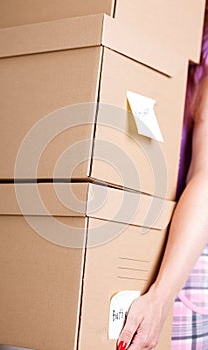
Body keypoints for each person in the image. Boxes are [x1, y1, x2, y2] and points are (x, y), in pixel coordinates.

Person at [117, 6, 208, 350]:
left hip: (175, 276)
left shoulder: (200, 49)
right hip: (104, 245)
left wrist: (159, 299)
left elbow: (207, 176)